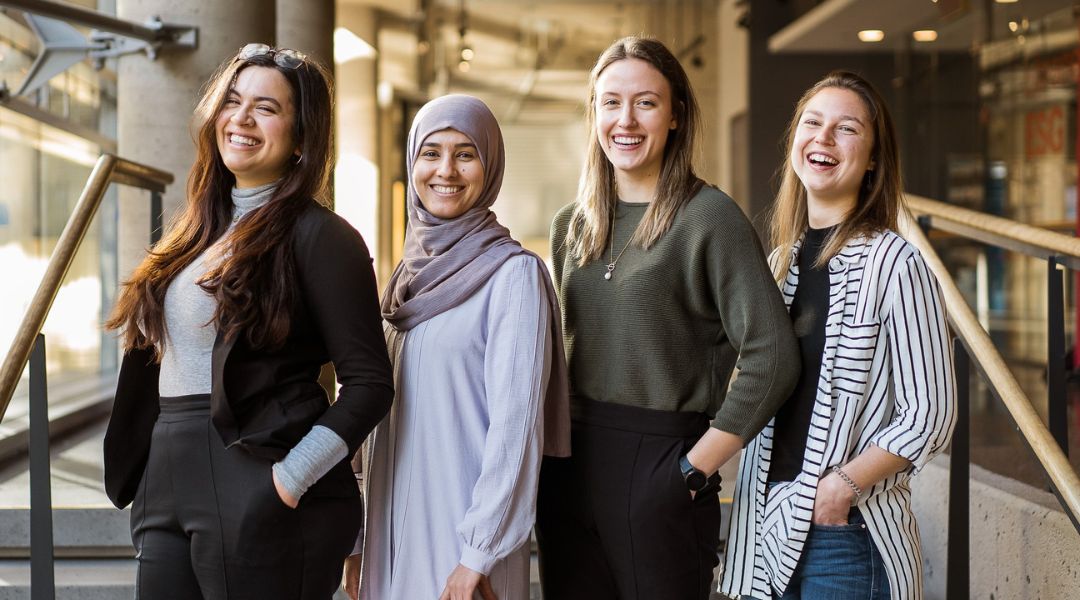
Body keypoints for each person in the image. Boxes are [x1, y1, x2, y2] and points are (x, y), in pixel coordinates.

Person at [102, 44, 394, 599]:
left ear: (302, 135)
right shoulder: (192, 234)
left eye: (266, 107)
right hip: (167, 475)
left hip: (258, 473)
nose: (241, 118)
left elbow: (370, 385)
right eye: (232, 101)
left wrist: (288, 481)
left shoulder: (323, 238)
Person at [535, 36, 799, 600]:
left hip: (660, 462)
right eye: (610, 102)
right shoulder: (570, 226)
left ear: (675, 115)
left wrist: (693, 469)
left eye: (645, 102)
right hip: (567, 466)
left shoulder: (709, 219)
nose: (624, 120)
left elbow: (773, 356)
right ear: (594, 114)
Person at [720, 71, 957, 600]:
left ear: (872, 158)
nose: (823, 139)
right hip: (769, 527)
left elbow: (930, 415)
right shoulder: (779, 265)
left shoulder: (896, 263)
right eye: (813, 123)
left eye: (846, 129)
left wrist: (841, 488)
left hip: (846, 535)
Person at [346, 94, 571, 600]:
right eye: (431, 152)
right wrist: (358, 538)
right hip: (389, 537)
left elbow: (516, 431)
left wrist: (478, 553)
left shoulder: (513, 276)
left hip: (463, 548)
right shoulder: (404, 280)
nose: (446, 169)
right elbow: (373, 423)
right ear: (411, 163)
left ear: (489, 167)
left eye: (466, 153)